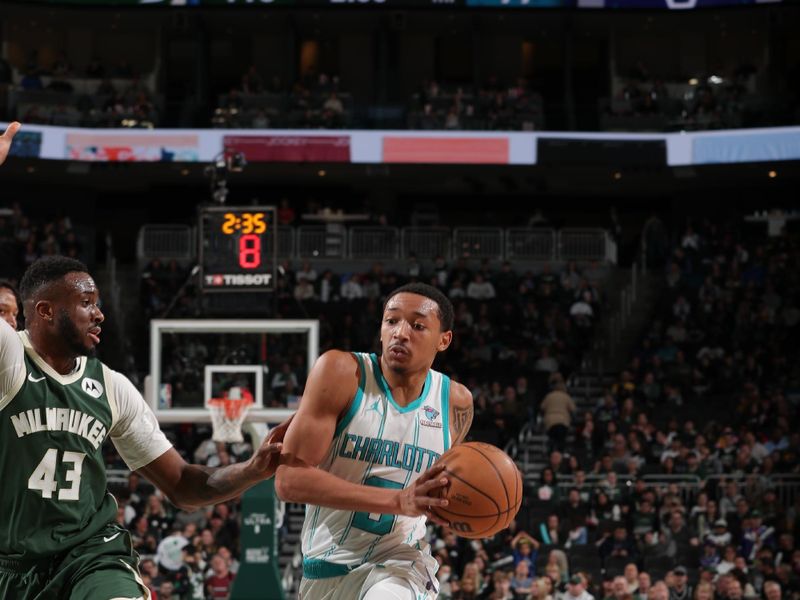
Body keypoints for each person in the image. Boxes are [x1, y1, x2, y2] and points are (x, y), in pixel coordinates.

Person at [0, 255, 289, 600]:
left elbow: (183, 485)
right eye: (86, 303)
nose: (99, 314)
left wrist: (250, 471)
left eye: (98, 303)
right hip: (12, 566)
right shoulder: (11, 358)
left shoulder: (111, 387)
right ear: (45, 311)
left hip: (88, 557)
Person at [275, 282, 474, 599]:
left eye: (418, 325)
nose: (400, 333)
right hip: (323, 571)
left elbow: (450, 489)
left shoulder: (456, 403)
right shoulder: (341, 373)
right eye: (391, 321)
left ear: (444, 340)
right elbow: (289, 480)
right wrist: (398, 502)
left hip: (400, 566)